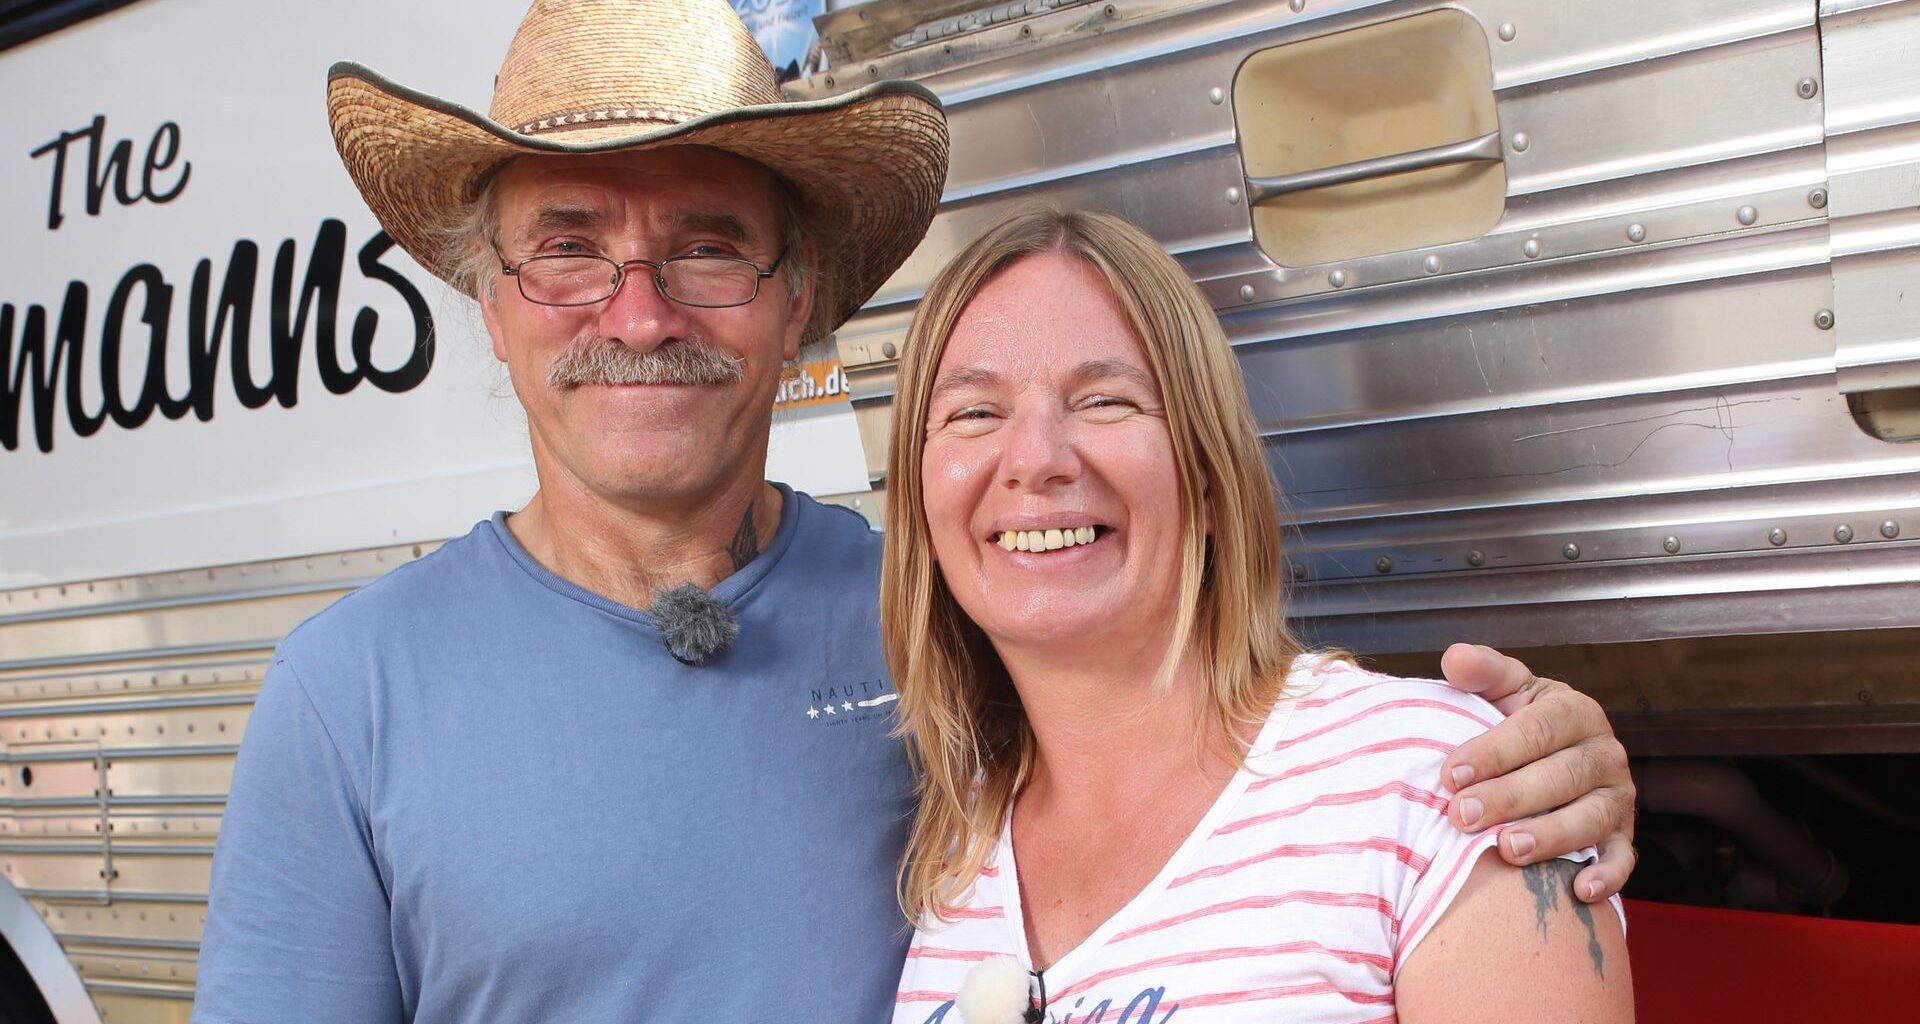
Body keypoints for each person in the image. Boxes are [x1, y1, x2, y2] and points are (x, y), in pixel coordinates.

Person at [192, 1, 1633, 1021]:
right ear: (492, 305)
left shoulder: (947, 631)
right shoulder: (349, 696)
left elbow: (1231, 771)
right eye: (567, 252)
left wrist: (1544, 773)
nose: (638, 312)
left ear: (800, 305)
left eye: (709, 249)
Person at [883, 208, 1631, 1023]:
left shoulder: (1441, 779)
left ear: (1207, 478)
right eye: (974, 414)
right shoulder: (950, 856)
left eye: (1104, 401)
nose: (1033, 459)